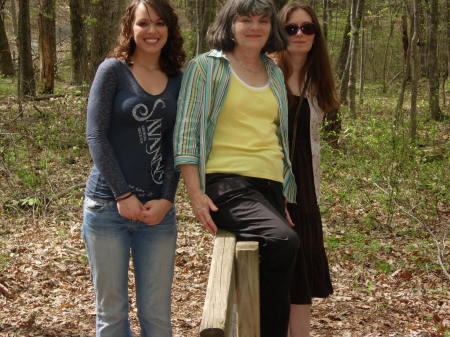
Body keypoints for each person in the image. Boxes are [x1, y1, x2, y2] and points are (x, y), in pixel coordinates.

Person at [174, 0, 299, 336]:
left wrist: (283, 196)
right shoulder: (206, 67)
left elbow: (276, 136)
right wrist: (195, 194)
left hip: (270, 186)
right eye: (245, 19)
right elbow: (186, 133)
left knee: (277, 253)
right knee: (282, 240)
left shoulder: (274, 72)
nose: (255, 26)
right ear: (230, 25)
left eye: (262, 20)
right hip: (225, 182)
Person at [82, 0, 185, 336]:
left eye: (159, 23)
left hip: (158, 214)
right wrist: (122, 194)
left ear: (170, 30)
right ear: (130, 28)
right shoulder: (113, 71)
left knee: (156, 315)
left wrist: (167, 198)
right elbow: (96, 135)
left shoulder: (178, 81)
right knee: (111, 315)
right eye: (143, 23)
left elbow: (178, 145)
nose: (151, 31)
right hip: (107, 209)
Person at [274, 2, 339, 337]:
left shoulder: (318, 80)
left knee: (303, 274)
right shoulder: (266, 74)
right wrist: (276, 195)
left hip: (307, 188)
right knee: (276, 275)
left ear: (316, 35)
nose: (300, 34)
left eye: (307, 28)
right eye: (291, 28)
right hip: (274, 189)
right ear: (279, 32)